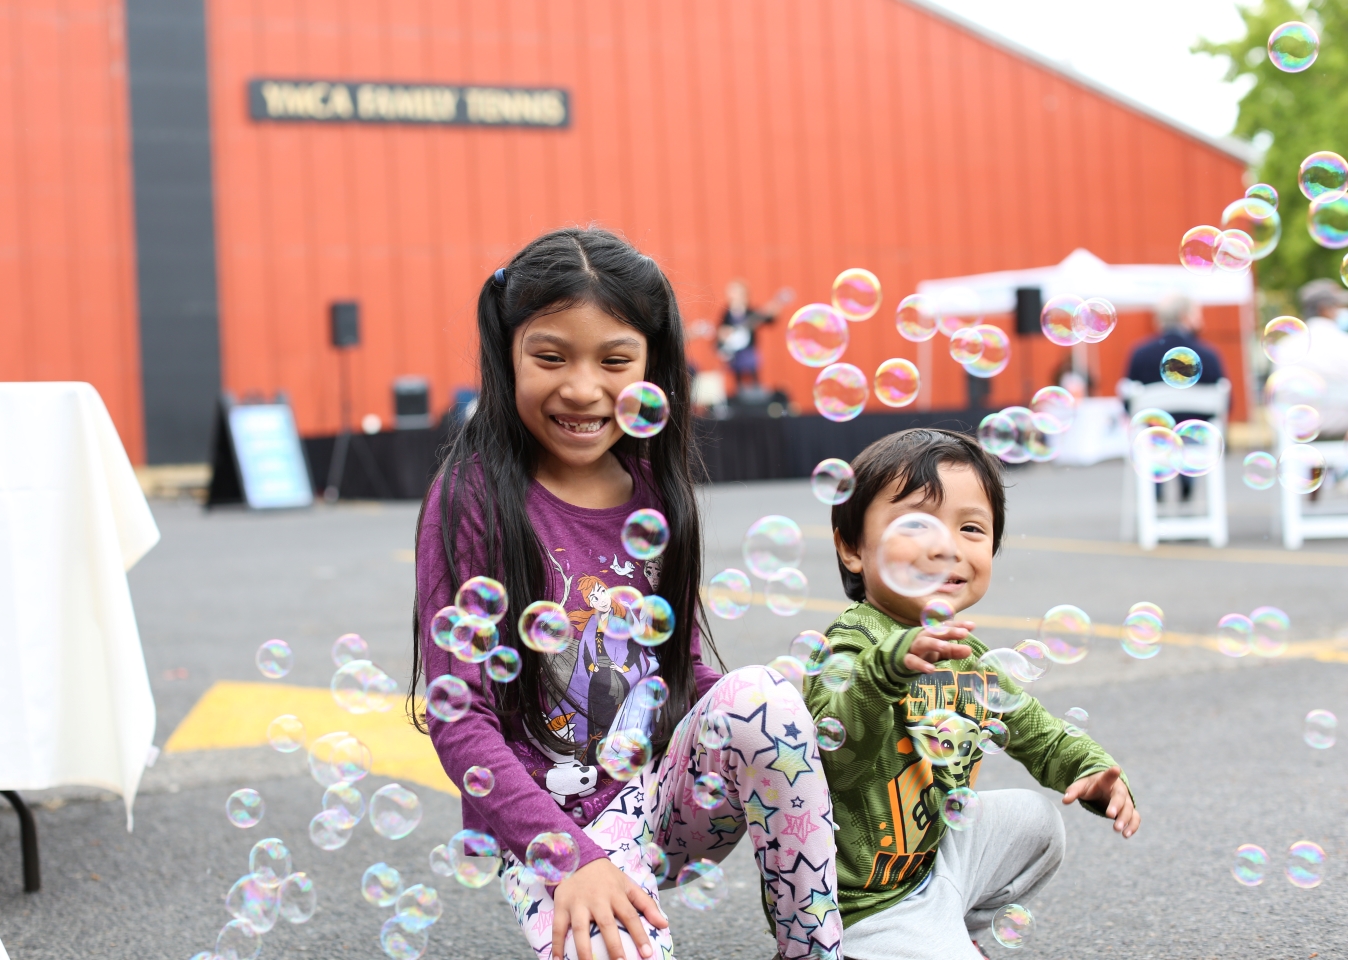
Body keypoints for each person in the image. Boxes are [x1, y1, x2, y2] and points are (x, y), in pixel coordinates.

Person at [412, 228, 842, 960]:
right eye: (550, 356)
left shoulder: (654, 491)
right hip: (546, 829)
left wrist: (782, 707)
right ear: (506, 352)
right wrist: (572, 858)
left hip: (662, 801)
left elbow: (677, 668)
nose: (582, 388)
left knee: (763, 695)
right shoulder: (472, 498)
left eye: (615, 360)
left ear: (653, 368)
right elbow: (463, 719)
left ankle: (816, 952)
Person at [805, 429, 1138, 960]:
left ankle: (949, 925)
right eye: (917, 524)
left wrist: (1088, 768)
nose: (947, 547)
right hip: (864, 900)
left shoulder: (968, 655)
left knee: (1038, 823)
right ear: (852, 547)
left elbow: (1035, 730)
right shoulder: (852, 644)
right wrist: (889, 668)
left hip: (932, 861)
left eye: (971, 528)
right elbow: (832, 755)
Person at [1125, 295, 1225, 499]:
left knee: (1156, 428)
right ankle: (1186, 478)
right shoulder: (1209, 354)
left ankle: (1156, 483)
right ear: (1184, 316)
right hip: (1197, 440)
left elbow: (1127, 399)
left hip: (1153, 437)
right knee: (1188, 430)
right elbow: (1224, 402)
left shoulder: (1140, 353)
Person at [1292, 278, 1348, 440]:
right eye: (1339, 306)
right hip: (1341, 426)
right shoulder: (1343, 342)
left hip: (1299, 426)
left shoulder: (1285, 346)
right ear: (1324, 309)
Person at [718, 279, 792, 391]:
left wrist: (775, 309)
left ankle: (755, 400)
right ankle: (741, 399)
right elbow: (721, 329)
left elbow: (768, 319)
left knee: (753, 376)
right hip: (735, 352)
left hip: (749, 350)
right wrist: (725, 333)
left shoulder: (750, 311)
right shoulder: (726, 312)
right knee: (738, 379)